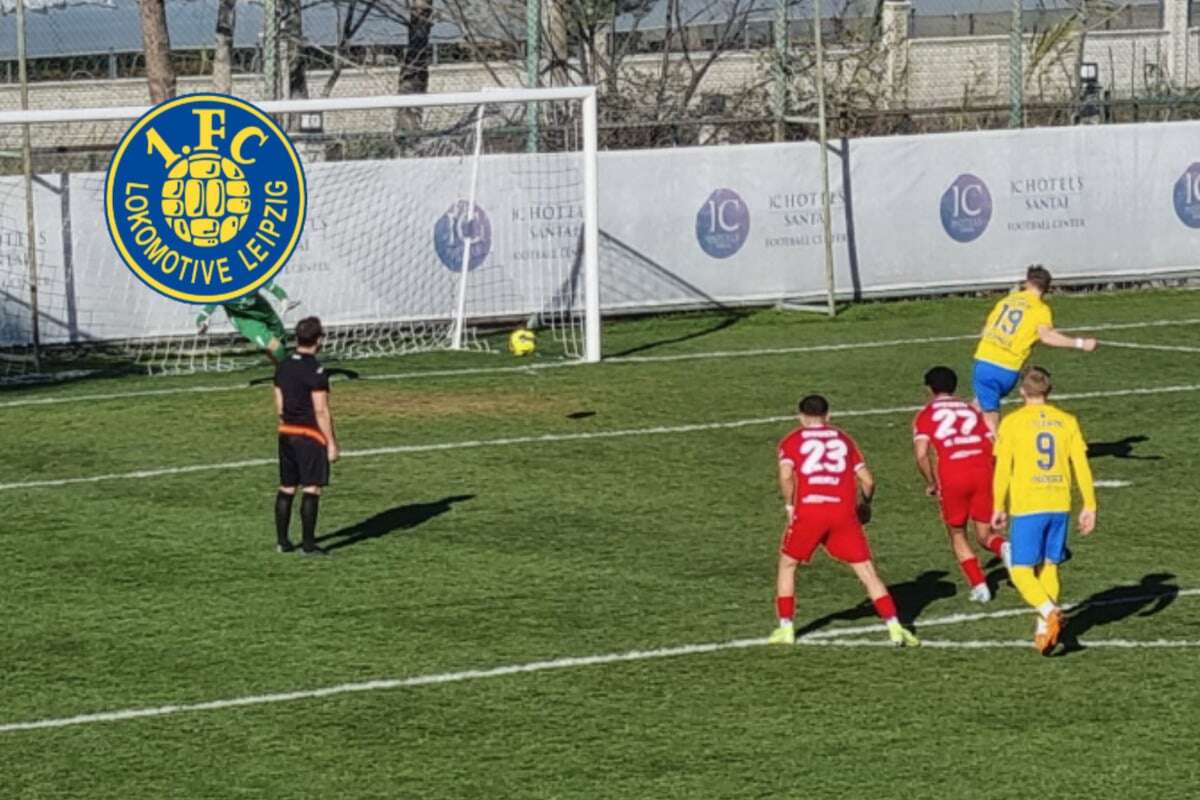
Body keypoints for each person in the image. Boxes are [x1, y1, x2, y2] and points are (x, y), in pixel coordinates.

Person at [770, 394, 920, 648]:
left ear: (801, 416)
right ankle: (895, 627)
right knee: (867, 571)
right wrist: (866, 505)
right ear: (828, 416)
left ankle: (786, 627)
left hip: (811, 511)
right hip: (843, 512)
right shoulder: (843, 439)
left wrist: (790, 505)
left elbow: (786, 477)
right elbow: (868, 480)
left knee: (788, 565)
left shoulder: (792, 440)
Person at [992, 367, 1097, 654]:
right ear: (1049, 392)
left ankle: (1049, 611)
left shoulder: (1012, 423)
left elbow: (1003, 468)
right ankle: (1044, 628)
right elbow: (1081, 466)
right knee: (1050, 565)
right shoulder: (1067, 421)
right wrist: (1089, 504)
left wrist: (998, 505)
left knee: (1021, 569)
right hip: (1059, 502)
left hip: (1029, 504)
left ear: (1022, 391)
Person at [913, 366, 1009, 603]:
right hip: (983, 469)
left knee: (957, 533)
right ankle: (1004, 548)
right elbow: (993, 441)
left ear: (929, 389)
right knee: (985, 533)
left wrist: (931, 482)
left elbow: (921, 454)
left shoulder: (925, 414)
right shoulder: (971, 409)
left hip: (953, 474)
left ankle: (979, 585)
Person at [972, 265, 1098, 433]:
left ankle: (996, 454)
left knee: (990, 415)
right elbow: (1046, 335)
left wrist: (1080, 343)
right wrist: (1081, 343)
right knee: (978, 405)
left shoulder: (1007, 301)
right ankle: (957, 435)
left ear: (1027, 282)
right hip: (1010, 368)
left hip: (987, 361)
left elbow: (985, 330)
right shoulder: (1040, 309)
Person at [273, 316, 340, 556]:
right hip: (309, 434)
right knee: (311, 488)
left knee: (287, 486)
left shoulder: (284, 365)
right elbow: (321, 410)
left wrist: (285, 422)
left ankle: (282, 541)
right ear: (319, 339)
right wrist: (331, 443)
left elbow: (279, 403)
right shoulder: (316, 371)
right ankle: (309, 545)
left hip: (286, 432)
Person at [196, 281, 300, 365]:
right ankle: (290, 375)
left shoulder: (248, 275)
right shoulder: (220, 288)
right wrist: (202, 323)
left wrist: (284, 300)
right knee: (275, 346)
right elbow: (206, 310)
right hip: (244, 321)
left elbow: (272, 287)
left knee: (280, 345)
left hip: (265, 312)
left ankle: (283, 373)